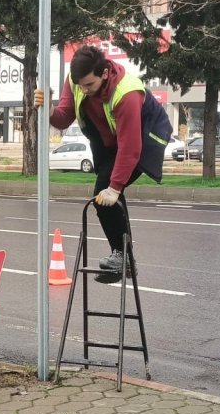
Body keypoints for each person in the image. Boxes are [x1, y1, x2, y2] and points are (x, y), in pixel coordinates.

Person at [35, 45, 170, 282]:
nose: (84, 90)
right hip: (108, 138)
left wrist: (116, 187)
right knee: (106, 195)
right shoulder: (77, 79)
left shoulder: (127, 93)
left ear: (105, 74)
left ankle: (122, 258)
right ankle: (124, 258)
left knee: (105, 193)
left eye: (89, 85)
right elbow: (64, 118)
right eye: (80, 86)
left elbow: (130, 147)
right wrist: (49, 108)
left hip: (145, 137)